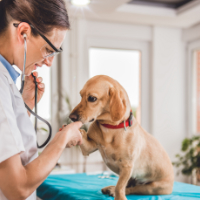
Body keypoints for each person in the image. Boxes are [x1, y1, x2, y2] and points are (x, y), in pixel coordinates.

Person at [0, 0, 83, 200]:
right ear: (23, 33)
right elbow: (17, 188)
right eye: (48, 50)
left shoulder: (6, 79)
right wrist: (62, 139)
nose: (49, 62)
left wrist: (25, 105)